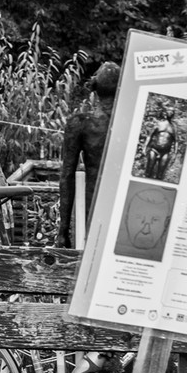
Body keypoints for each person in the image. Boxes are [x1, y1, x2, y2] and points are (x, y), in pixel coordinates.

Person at [58, 61, 120, 246]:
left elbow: (67, 176)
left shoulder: (80, 123)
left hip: (94, 205)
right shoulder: (130, 124)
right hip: (120, 203)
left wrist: (63, 231)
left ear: (94, 87)